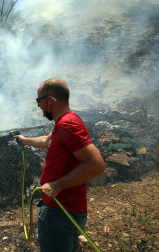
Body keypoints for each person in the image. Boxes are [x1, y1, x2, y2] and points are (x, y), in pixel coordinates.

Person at [15, 78, 105, 252]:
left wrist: (58, 185)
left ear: (50, 100)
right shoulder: (64, 122)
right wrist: (25, 141)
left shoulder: (67, 124)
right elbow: (46, 140)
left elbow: (96, 164)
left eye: (39, 101)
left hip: (60, 213)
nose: (38, 106)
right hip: (64, 211)